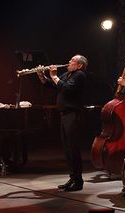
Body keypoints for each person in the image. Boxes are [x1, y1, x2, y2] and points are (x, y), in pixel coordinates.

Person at [37, 54, 87, 191]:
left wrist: (54, 76)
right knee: (67, 149)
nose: (68, 62)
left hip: (73, 115)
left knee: (74, 148)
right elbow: (54, 85)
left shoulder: (79, 75)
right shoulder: (68, 74)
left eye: (72, 61)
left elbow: (67, 88)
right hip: (65, 116)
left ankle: (78, 181)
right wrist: (42, 76)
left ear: (79, 65)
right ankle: (72, 178)